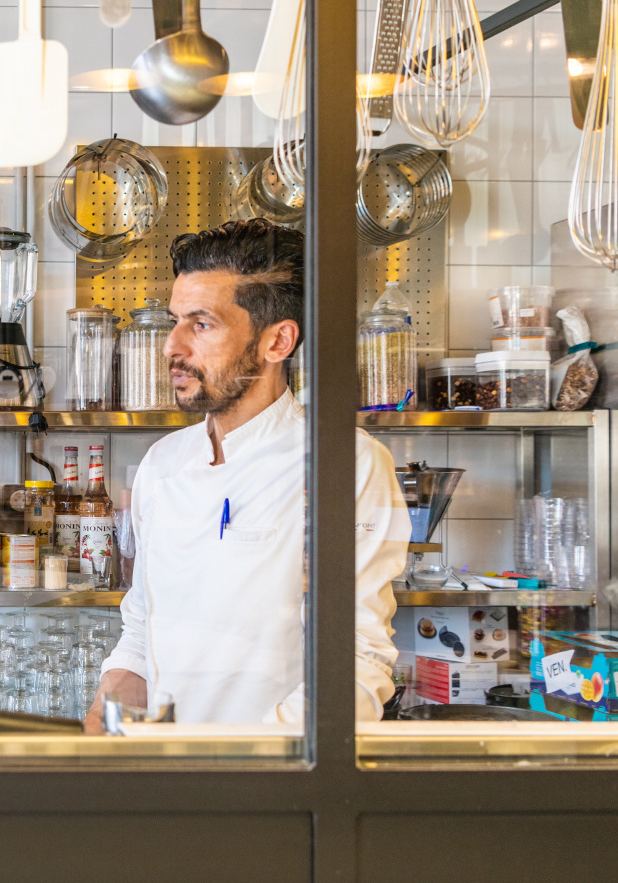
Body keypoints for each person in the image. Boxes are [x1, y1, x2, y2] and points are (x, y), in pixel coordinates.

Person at [82, 219, 408, 730]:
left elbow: (358, 663)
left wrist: (256, 763)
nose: (172, 346)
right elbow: (144, 623)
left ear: (277, 341)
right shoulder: (163, 464)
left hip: (278, 785)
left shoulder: (345, 464)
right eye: (175, 321)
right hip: (166, 773)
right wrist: (116, 690)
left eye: (202, 324)